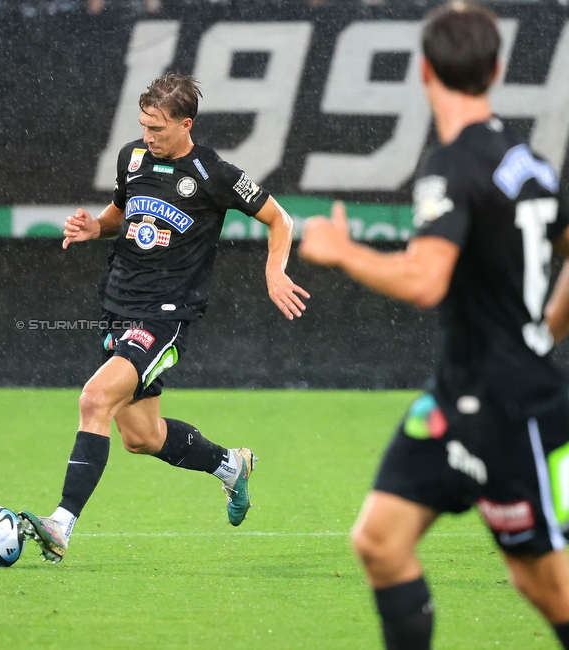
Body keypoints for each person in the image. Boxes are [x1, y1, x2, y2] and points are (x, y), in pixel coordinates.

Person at [299, 3, 569, 648]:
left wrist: (342, 252)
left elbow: (425, 281)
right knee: (379, 542)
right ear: (497, 69)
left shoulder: (453, 165)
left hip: (510, 408)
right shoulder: (526, 162)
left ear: (423, 71)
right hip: (456, 399)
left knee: (543, 585)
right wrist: (545, 330)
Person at [17, 73, 308, 564]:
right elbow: (120, 214)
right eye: (143, 125)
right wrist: (95, 228)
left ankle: (60, 524)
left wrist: (274, 270)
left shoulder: (213, 172)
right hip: (117, 305)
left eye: (157, 127)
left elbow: (280, 218)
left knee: (94, 400)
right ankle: (229, 466)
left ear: (185, 124)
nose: (147, 136)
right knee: (142, 438)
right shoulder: (132, 158)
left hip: (165, 316)